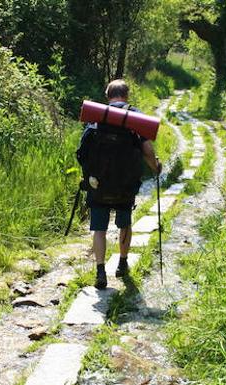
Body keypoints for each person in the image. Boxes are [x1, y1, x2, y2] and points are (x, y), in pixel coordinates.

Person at [80, 79, 162, 289]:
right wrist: (155, 167)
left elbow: (82, 152)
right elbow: (147, 150)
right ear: (126, 95)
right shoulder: (133, 117)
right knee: (124, 223)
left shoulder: (99, 116)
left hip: (98, 184)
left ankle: (100, 271)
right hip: (125, 185)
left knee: (99, 229)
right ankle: (122, 264)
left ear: (108, 95)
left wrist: (90, 176)